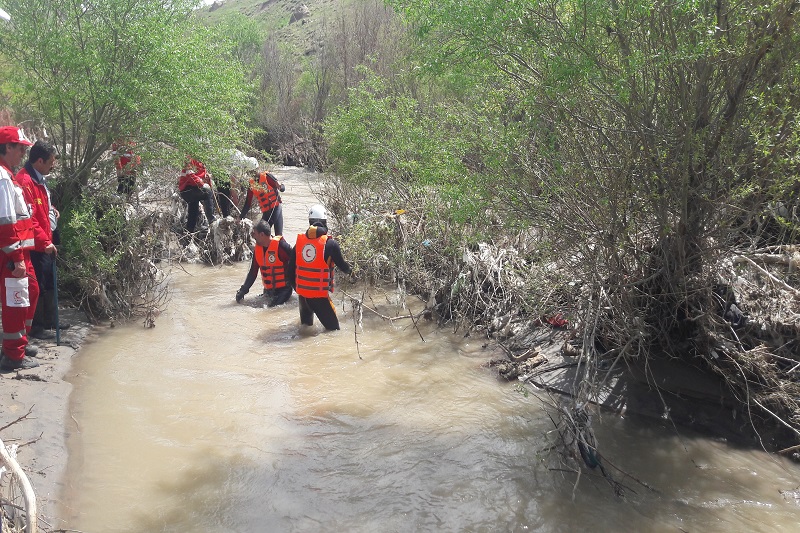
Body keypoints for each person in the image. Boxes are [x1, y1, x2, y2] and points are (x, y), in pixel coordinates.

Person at [15, 140, 70, 339]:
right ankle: (37, 327)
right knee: (36, 285)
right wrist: (44, 242)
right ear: (39, 161)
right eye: (50, 162)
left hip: (45, 238)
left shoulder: (38, 178)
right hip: (34, 244)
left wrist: (51, 210)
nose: (53, 165)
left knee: (48, 282)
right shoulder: (25, 181)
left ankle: (50, 321)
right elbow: (28, 219)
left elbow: (40, 208)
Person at [0, 126, 39, 370]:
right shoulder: (3, 178)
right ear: (7, 148)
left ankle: (18, 345)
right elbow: (5, 222)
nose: (23, 153)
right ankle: (14, 357)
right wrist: (16, 257)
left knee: (30, 292)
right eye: (20, 148)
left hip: (18, 252)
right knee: (15, 303)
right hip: (12, 255)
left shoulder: (8, 175)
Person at [293, 204, 354, 331]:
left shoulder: (299, 243)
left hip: (303, 296)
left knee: (304, 330)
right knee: (334, 332)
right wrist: (353, 273)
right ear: (325, 222)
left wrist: (301, 288)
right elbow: (343, 267)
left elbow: (289, 272)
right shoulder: (331, 244)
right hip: (319, 298)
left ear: (309, 222)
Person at [235, 219, 294, 307]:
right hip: (268, 291)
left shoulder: (281, 246)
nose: (253, 236)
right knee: (249, 306)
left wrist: (295, 284)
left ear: (262, 234)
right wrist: (243, 290)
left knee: (271, 309)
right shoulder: (257, 250)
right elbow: (253, 272)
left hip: (284, 290)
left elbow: (296, 262)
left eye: (254, 233)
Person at [240, 169, 285, 235]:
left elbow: (282, 188)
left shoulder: (267, 177)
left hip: (276, 209)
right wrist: (240, 217)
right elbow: (248, 203)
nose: (252, 174)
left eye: (253, 171)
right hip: (266, 213)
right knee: (259, 233)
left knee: (278, 237)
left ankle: (286, 245)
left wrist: (281, 187)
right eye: (250, 172)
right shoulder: (251, 184)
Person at [178, 157, 216, 232]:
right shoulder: (189, 160)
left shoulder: (201, 163)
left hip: (193, 189)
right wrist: (203, 184)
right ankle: (212, 221)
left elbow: (204, 177)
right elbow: (191, 177)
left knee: (193, 209)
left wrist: (207, 182)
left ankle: (190, 230)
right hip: (188, 190)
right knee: (207, 193)